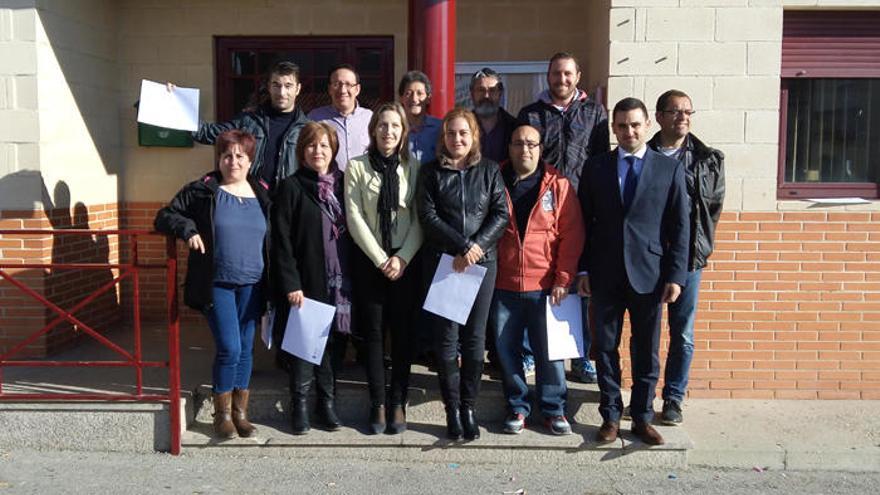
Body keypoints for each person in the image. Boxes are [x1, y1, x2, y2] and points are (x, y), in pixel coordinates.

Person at [576, 97, 689, 446]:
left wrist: (675, 276)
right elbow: (583, 223)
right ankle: (610, 416)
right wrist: (582, 270)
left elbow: (680, 226)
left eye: (635, 125)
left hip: (649, 274)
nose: (629, 131)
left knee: (646, 351)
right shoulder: (595, 167)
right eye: (622, 125)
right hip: (605, 273)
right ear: (614, 129)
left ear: (647, 126)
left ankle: (641, 417)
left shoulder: (667, 168)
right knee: (606, 348)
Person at [154, 130, 270, 439]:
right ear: (218, 159)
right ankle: (221, 414)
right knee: (229, 347)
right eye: (227, 155)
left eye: (240, 156)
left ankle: (239, 413)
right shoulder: (203, 190)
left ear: (250, 160)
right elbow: (165, 215)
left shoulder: (262, 191)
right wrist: (188, 229)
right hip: (216, 282)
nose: (233, 161)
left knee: (246, 349)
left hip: (253, 283)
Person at [518, 52, 609, 384]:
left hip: (583, 204)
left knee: (579, 280)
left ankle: (581, 355)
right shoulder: (531, 113)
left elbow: (601, 159)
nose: (562, 79)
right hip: (540, 204)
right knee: (539, 278)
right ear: (548, 76)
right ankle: (529, 352)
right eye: (556, 73)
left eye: (568, 74)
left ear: (578, 76)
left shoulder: (595, 113)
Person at [418, 108, 509, 441]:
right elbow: (427, 216)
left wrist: (477, 247)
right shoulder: (430, 173)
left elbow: (501, 213)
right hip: (446, 265)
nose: (457, 139)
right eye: (451, 133)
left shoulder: (489, 171)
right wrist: (461, 246)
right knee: (446, 341)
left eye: (463, 133)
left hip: (481, 266)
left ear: (474, 137)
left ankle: (469, 407)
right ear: (443, 137)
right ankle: (452, 410)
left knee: (474, 341)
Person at [493, 125, 584, 436]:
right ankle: (518, 406)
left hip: (546, 285)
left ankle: (554, 409)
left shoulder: (557, 184)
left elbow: (571, 235)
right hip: (502, 284)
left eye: (531, 143)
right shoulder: (495, 178)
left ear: (541, 148)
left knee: (550, 353)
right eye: (518, 143)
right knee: (507, 350)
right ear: (509, 147)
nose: (525, 149)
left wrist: (564, 277)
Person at [344, 102, 424, 435]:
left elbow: (420, 218)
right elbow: (354, 216)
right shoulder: (357, 167)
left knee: (402, 335)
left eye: (395, 126)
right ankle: (378, 402)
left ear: (403, 132)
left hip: (405, 262)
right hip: (370, 261)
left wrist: (402, 257)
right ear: (373, 129)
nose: (388, 131)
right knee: (374, 335)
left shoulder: (415, 167)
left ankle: (398, 402)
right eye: (382, 125)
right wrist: (380, 259)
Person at [647, 89, 725, 425]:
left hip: (689, 261)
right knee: (645, 331)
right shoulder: (642, 154)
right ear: (660, 116)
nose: (683, 118)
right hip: (648, 259)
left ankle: (674, 398)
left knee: (682, 333)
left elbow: (713, 210)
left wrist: (699, 247)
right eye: (676, 112)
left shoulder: (708, 159)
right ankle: (644, 394)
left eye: (688, 112)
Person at [271, 122, 354, 435]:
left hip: (342, 278)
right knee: (305, 345)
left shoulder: (344, 184)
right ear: (301, 151)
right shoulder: (291, 187)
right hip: (307, 279)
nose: (317, 151)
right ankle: (300, 405)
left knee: (334, 343)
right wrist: (291, 282)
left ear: (333, 149)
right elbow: (281, 240)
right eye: (311, 145)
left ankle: (327, 403)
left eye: (324, 145)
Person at [190, 61, 310, 190]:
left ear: (297, 89)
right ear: (268, 87)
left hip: (287, 203)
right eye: (276, 85)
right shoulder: (249, 120)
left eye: (288, 86)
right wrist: (175, 104)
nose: (281, 92)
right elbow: (207, 134)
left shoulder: (306, 129)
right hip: (252, 198)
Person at [308, 64, 373, 172]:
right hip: (328, 185)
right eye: (337, 84)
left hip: (363, 185)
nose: (343, 90)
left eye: (348, 84)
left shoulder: (370, 118)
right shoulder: (315, 118)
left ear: (357, 89)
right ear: (329, 89)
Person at [469, 67, 518, 164]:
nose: (486, 96)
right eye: (480, 90)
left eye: (492, 90)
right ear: (472, 94)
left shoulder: (514, 126)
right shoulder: (462, 126)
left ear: (500, 94)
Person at [399, 71, 442, 164]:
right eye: (408, 93)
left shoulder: (440, 128)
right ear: (401, 98)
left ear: (428, 98)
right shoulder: (396, 128)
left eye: (420, 93)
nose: (414, 99)